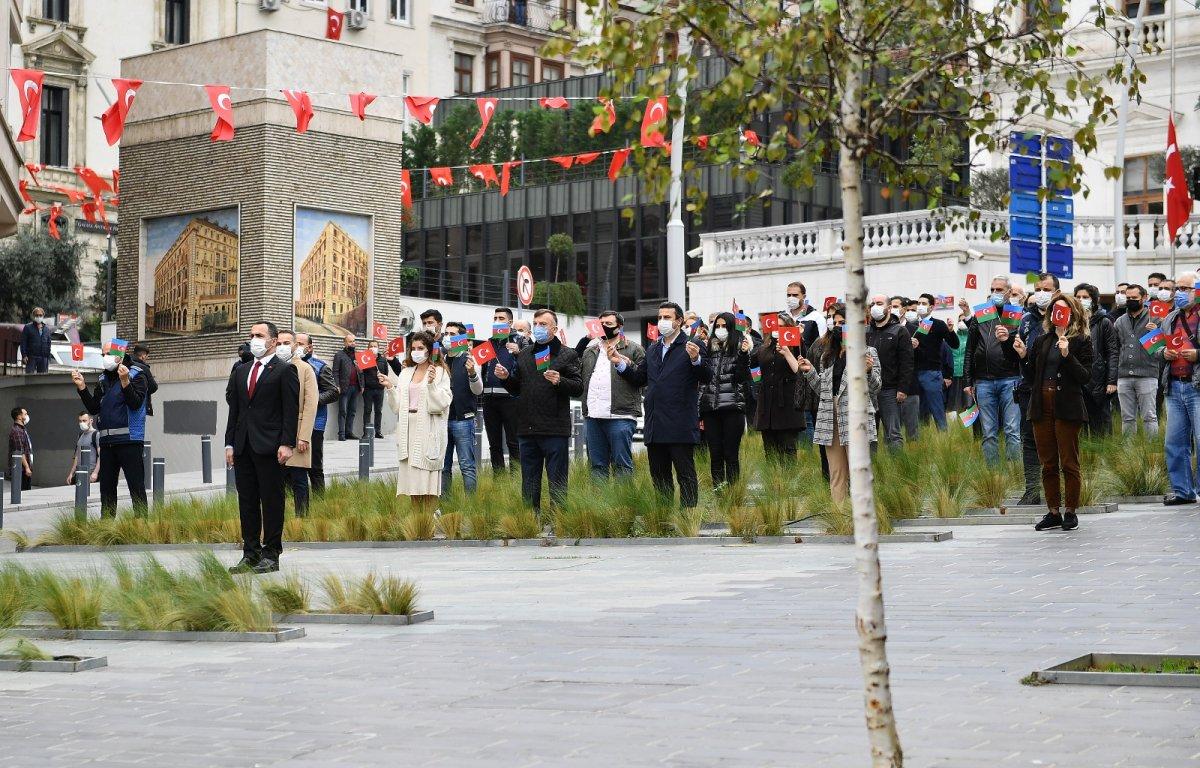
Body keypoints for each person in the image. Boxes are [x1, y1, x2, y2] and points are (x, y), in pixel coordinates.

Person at [611, 302, 713, 509]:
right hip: (655, 424)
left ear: (679, 321)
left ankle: (688, 516)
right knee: (659, 476)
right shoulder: (654, 348)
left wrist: (696, 360)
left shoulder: (692, 345)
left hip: (680, 423)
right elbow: (640, 378)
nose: (662, 322)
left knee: (685, 474)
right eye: (660, 317)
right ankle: (663, 517)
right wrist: (620, 363)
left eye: (667, 317)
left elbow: (707, 376)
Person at [223, 322, 300, 574]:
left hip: (270, 447)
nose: (254, 339)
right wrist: (230, 443)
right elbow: (234, 410)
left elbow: (290, 411)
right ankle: (250, 553)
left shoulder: (284, 370)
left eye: (259, 335)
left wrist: (287, 443)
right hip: (243, 446)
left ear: (273, 341)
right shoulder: (241, 370)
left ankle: (271, 554)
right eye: (252, 335)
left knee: (272, 501)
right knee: (247, 502)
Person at [1014, 293, 1093, 532]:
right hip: (1042, 405)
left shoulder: (1081, 340)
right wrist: (1023, 356)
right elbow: (1031, 376)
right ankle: (1053, 511)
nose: (1058, 314)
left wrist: (1068, 355)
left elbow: (1085, 377)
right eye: (1054, 310)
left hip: (1067, 405)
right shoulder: (1042, 340)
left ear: (1073, 312)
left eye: (1063, 310)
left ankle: (1070, 511)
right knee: (1047, 463)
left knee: (1069, 461)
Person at [496, 309, 583, 522]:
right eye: (536, 323)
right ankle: (530, 521)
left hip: (554, 428)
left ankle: (558, 521)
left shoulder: (567, 354)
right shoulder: (525, 354)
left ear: (554, 328)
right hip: (527, 427)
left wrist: (559, 381)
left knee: (557, 480)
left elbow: (579, 387)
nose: (538, 327)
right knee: (529, 480)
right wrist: (506, 378)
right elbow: (517, 388)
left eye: (543, 324)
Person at [799, 304, 881, 501]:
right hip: (830, 417)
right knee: (836, 474)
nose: (837, 326)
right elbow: (822, 390)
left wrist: (868, 372)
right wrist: (810, 371)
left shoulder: (868, 351)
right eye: (835, 323)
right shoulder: (828, 355)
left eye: (843, 323)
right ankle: (839, 518)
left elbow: (876, 387)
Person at [72, 349, 149, 517]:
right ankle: (106, 526)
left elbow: (136, 403)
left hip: (129, 440)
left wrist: (125, 381)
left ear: (119, 355)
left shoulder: (137, 374)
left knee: (136, 487)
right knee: (106, 489)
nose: (105, 357)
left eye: (108, 353)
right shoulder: (103, 378)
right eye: (103, 354)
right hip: (106, 442)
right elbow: (94, 408)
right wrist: (82, 388)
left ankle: (142, 525)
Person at [382, 331, 452, 514]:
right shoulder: (406, 373)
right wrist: (390, 387)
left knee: (426, 481)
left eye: (420, 348)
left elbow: (441, 404)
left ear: (429, 350)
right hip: (407, 430)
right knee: (413, 482)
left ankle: (429, 521)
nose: (416, 352)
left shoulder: (439, 372)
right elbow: (398, 406)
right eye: (413, 348)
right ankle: (417, 524)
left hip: (428, 429)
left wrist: (431, 384)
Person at [963, 276, 1023, 465]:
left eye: (999, 290)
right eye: (992, 289)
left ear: (1008, 292)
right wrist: (967, 381)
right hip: (983, 381)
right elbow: (970, 349)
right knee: (988, 431)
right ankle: (993, 472)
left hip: (1010, 379)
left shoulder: (1016, 315)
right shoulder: (981, 315)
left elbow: (1021, 346)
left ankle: (1014, 471)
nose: (995, 293)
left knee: (1012, 430)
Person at [580, 311, 644, 479]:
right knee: (597, 465)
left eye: (608, 324)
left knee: (622, 464)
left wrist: (624, 363)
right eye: (601, 323)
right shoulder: (589, 351)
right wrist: (586, 338)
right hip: (593, 415)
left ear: (619, 327)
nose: (603, 327)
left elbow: (643, 378)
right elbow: (573, 362)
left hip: (621, 415)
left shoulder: (634, 348)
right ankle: (599, 503)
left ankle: (623, 504)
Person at [1154, 271, 1200, 505]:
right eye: (1178, 289)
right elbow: (1157, 349)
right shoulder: (1170, 318)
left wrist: (1197, 354)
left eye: (1186, 289)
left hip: (1196, 387)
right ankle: (1183, 491)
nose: (1180, 293)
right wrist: (1165, 353)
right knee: (1174, 443)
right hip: (1173, 386)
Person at [1015, 272, 1060, 505]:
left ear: (1056, 292)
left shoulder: (1064, 319)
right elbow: (1021, 358)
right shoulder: (1026, 320)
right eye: (1038, 289)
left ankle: (1058, 490)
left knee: (1058, 440)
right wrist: (1019, 353)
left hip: (1056, 388)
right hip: (1029, 388)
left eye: (1046, 289)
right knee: (1029, 440)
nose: (1041, 294)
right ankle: (1031, 490)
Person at [700, 312, 753, 486]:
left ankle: (733, 492)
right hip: (711, 410)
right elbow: (703, 381)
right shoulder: (709, 348)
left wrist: (744, 355)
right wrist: (701, 408)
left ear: (731, 328)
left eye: (724, 326)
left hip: (732, 408)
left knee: (731, 454)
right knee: (715, 455)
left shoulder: (739, 348)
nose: (720, 330)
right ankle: (718, 492)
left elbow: (742, 378)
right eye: (718, 326)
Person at [753, 312, 807, 461]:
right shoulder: (764, 348)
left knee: (788, 450)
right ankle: (774, 483)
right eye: (776, 326)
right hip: (767, 406)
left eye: (782, 327)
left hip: (787, 406)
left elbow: (800, 372)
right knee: (770, 453)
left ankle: (789, 483)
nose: (778, 330)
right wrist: (758, 385)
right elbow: (754, 370)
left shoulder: (797, 346)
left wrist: (789, 350)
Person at [276, 331, 318, 517]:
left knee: (299, 479)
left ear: (295, 345)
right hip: (274, 434)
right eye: (279, 343)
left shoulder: (305, 369)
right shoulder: (272, 367)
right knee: (276, 482)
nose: (283, 346)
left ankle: (302, 518)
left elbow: (311, 404)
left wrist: (304, 436)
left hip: (298, 432)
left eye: (287, 342)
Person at [440, 321, 484, 495]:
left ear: (461, 338)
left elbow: (478, 390)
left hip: (463, 421)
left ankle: (470, 505)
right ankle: (445, 503)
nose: (447, 337)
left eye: (452, 334)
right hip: (443, 420)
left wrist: (472, 373)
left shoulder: (469, 360)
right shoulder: (440, 360)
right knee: (444, 467)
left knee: (467, 465)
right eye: (446, 333)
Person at [866, 293, 914, 449]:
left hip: (890, 390)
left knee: (893, 434)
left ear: (888, 308)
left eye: (879, 303)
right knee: (868, 435)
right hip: (868, 390)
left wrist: (903, 388)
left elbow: (906, 362)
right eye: (872, 304)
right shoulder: (865, 331)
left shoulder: (899, 331)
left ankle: (898, 467)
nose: (874, 307)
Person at [482, 308, 526, 474]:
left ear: (509, 323)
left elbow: (529, 366)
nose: (497, 321)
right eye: (495, 318)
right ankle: (498, 480)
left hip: (511, 399)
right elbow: (484, 370)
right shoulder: (488, 343)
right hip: (489, 399)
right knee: (494, 444)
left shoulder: (520, 340)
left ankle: (516, 481)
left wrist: (519, 353)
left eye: (501, 318)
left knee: (513, 442)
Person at [1113, 284, 1160, 437]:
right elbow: (1116, 348)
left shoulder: (1155, 319)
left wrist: (1155, 332)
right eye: (1128, 298)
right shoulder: (1120, 321)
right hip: (1124, 375)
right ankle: (1128, 456)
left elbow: (1161, 349)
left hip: (1147, 374)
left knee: (1150, 417)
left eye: (1134, 298)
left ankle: (1152, 454)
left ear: (1144, 298)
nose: (1131, 301)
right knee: (1127, 418)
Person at [296, 333, 339, 496]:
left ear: (310, 347)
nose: (297, 346)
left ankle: (320, 499)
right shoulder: (290, 365)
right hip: (294, 422)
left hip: (315, 422)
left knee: (314, 464)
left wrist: (312, 401)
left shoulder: (320, 366)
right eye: (296, 343)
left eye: (301, 343)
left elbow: (333, 392)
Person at [1074, 283, 1119, 435]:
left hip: (1098, 380)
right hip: (1077, 379)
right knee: (1080, 428)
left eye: (1085, 297)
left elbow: (1113, 352)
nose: (1081, 300)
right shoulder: (1071, 321)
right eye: (1078, 297)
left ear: (1094, 300)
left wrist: (1112, 381)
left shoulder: (1104, 321)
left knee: (1100, 427)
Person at [911, 293, 960, 430]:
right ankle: (923, 442)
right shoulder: (911, 326)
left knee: (937, 410)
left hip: (931, 373)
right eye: (919, 303)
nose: (920, 306)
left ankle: (944, 441)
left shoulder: (938, 324)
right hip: (913, 373)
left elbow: (954, 344)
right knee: (919, 412)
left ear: (931, 307)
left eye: (924, 304)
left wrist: (951, 331)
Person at [331, 334, 361, 441]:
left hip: (355, 387)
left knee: (352, 411)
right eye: (350, 341)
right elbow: (335, 372)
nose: (352, 343)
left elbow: (361, 373)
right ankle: (341, 434)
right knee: (343, 411)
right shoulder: (339, 355)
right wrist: (337, 385)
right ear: (345, 343)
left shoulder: (358, 356)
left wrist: (362, 385)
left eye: (354, 341)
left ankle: (349, 432)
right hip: (344, 387)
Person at [947, 299, 971, 413]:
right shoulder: (953, 337)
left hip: (967, 375)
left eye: (964, 320)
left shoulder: (971, 337)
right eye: (959, 320)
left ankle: (969, 426)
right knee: (955, 404)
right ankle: (956, 426)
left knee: (968, 403)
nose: (962, 322)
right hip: (955, 374)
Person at [360, 339, 388, 439]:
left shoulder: (383, 360)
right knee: (367, 411)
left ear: (378, 348)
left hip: (379, 389)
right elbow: (361, 374)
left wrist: (384, 383)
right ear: (368, 348)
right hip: (368, 389)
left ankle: (378, 431)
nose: (373, 348)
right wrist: (363, 385)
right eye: (371, 346)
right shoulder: (365, 358)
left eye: (375, 346)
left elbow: (386, 373)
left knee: (378, 411)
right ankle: (366, 432)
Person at [783, 281, 824, 346]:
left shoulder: (816, 317)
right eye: (789, 295)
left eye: (795, 295)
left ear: (804, 296)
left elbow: (822, 344)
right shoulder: (783, 316)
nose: (791, 298)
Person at [66, 411, 101, 487]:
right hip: (79, 473)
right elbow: (77, 456)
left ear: (91, 421)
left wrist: (95, 473)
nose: (82, 423)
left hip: (91, 474)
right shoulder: (80, 435)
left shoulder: (96, 435)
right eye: (80, 421)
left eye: (84, 421)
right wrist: (71, 473)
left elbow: (101, 456)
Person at [129, 344, 159, 417]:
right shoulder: (143, 368)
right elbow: (153, 387)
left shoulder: (125, 364)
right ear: (143, 355)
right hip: (139, 406)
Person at [19, 308, 52, 374]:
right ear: (34, 316)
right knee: (29, 377)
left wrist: (48, 357)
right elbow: (23, 342)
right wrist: (24, 355)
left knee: (42, 378)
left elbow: (49, 343)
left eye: (40, 315)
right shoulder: (28, 327)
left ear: (43, 316)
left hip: (43, 358)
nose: (38, 317)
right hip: (31, 357)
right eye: (37, 315)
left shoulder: (46, 329)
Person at [8, 407, 33, 490]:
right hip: (20, 469)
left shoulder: (22, 429)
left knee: (26, 492)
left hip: (24, 468)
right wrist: (26, 467)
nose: (27, 416)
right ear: (19, 417)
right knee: (22, 492)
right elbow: (19, 451)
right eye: (25, 414)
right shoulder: (16, 431)